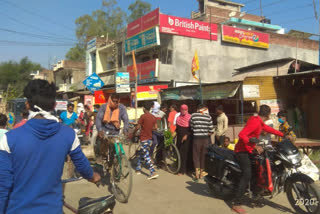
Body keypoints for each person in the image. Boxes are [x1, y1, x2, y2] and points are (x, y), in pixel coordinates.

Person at [0, 79, 100, 214]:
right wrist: (93, 176)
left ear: (27, 105)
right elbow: (82, 166)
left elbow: (3, 185)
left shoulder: (9, 139)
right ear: (53, 105)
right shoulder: (68, 135)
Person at [232, 105, 284, 214]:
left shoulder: (258, 121)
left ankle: (256, 192)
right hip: (241, 151)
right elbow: (241, 134)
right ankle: (236, 203)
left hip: (250, 150)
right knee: (247, 174)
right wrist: (254, 146)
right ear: (268, 115)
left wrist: (282, 134)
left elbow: (267, 128)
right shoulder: (255, 122)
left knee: (260, 168)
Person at [133, 102, 159, 180]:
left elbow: (137, 127)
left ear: (144, 109)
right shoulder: (153, 117)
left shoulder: (143, 116)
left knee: (146, 155)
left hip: (143, 138)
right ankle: (138, 168)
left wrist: (133, 133)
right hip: (150, 138)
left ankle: (152, 172)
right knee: (142, 152)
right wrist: (149, 128)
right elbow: (156, 128)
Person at [190, 104, 214, 181]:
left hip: (196, 138)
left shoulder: (193, 115)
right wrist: (207, 132)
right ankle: (201, 173)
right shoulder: (208, 117)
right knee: (203, 156)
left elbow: (192, 127)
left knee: (196, 155)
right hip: (205, 139)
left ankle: (196, 173)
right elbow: (211, 130)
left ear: (197, 109)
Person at [176, 104, 192, 176]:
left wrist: (186, 135)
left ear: (187, 110)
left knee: (186, 154)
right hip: (179, 138)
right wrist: (174, 133)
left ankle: (186, 169)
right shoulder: (178, 117)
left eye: (185, 110)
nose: (184, 111)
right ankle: (180, 169)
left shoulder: (190, 117)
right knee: (179, 153)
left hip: (187, 139)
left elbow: (191, 129)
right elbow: (177, 128)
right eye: (182, 109)